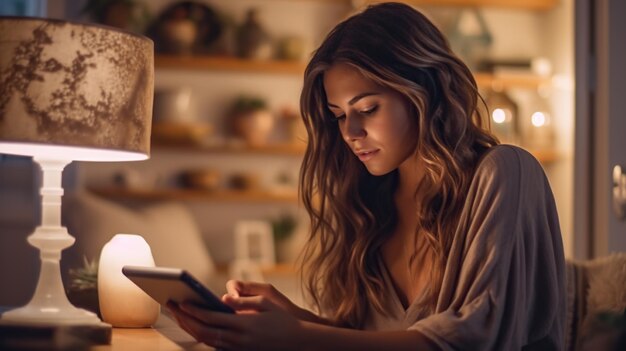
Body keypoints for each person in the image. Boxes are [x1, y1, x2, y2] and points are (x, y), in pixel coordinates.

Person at [168, 2, 566, 350]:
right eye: (339, 115)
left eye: (368, 108)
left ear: (422, 91)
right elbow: (369, 341)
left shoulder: (505, 173)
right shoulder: (371, 202)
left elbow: (477, 339)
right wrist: (291, 318)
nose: (349, 133)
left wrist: (298, 335)